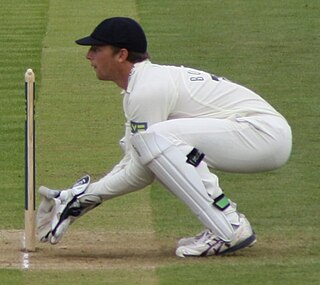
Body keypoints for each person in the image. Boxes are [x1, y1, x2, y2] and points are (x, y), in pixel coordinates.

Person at [37, 17, 292, 257]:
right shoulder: (142, 86)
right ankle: (224, 223)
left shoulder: (147, 90)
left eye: (96, 48)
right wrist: (80, 197)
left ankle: (229, 226)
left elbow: (142, 170)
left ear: (121, 54)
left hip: (263, 135)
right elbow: (136, 161)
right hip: (257, 133)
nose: (88, 55)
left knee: (157, 138)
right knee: (154, 141)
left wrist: (84, 199)